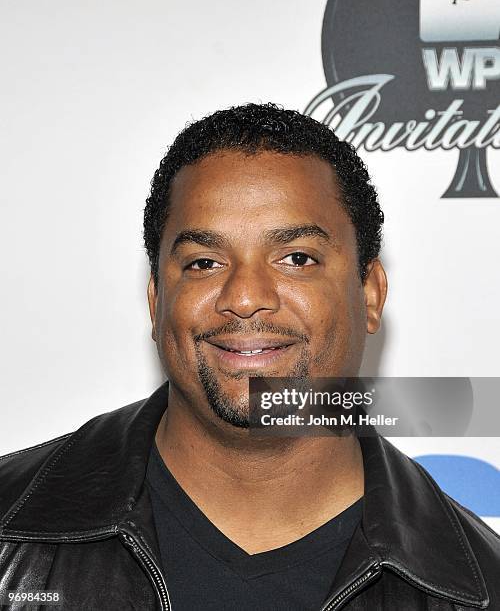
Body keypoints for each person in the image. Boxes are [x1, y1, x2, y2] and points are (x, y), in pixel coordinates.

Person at [0, 103, 498, 610]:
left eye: (296, 259)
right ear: (156, 303)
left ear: (369, 293)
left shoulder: (481, 588)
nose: (244, 296)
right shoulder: (8, 529)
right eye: (204, 262)